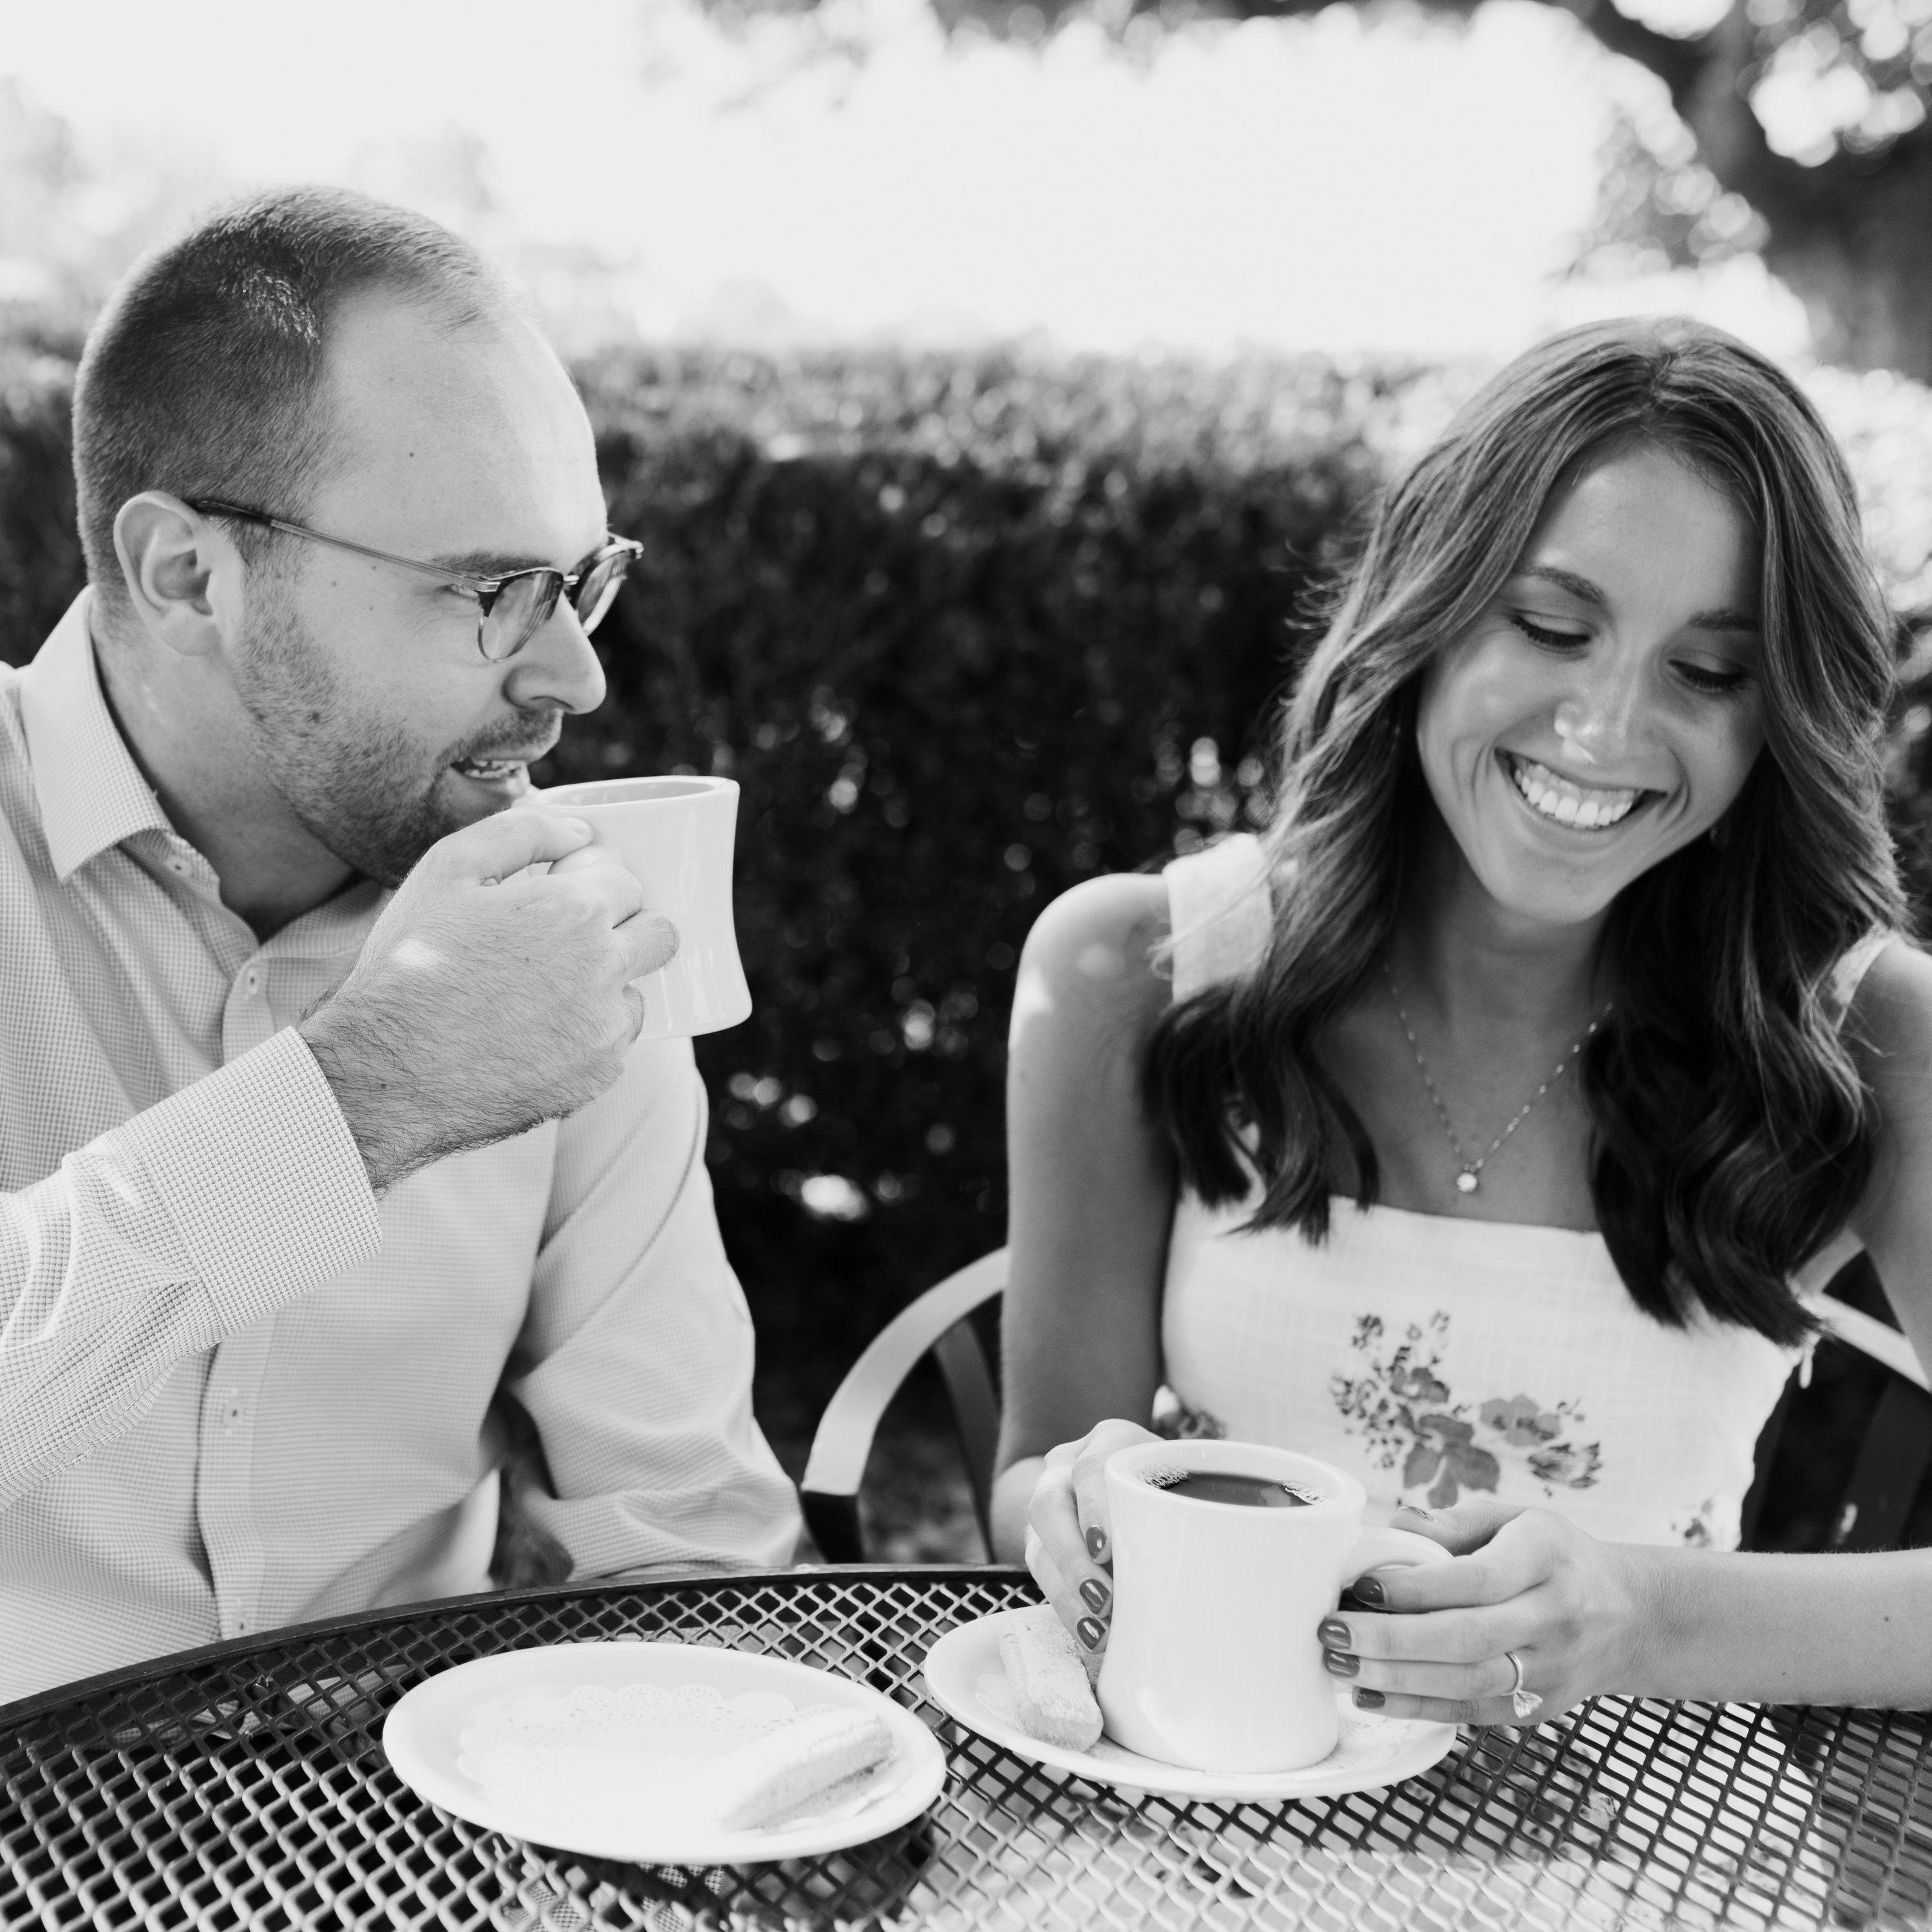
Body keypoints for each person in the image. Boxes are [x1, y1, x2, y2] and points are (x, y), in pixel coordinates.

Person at [996, 317, 1932, 1724]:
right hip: (1206, 1778)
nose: (1605, 731)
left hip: (1654, 1819)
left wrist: (1652, 1626)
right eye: (1552, 628)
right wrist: (1068, 1508)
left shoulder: (1867, 1036)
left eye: (1709, 672)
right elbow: (1037, 1472)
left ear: (1778, 712)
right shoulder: (1138, 966)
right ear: (1429, 607)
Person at [0, 187, 799, 1705]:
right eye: (490, 591)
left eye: (581, 582)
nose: (576, 677)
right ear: (187, 576)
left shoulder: (559, 929)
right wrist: (363, 1097)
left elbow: (683, 1533)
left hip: (405, 1809)